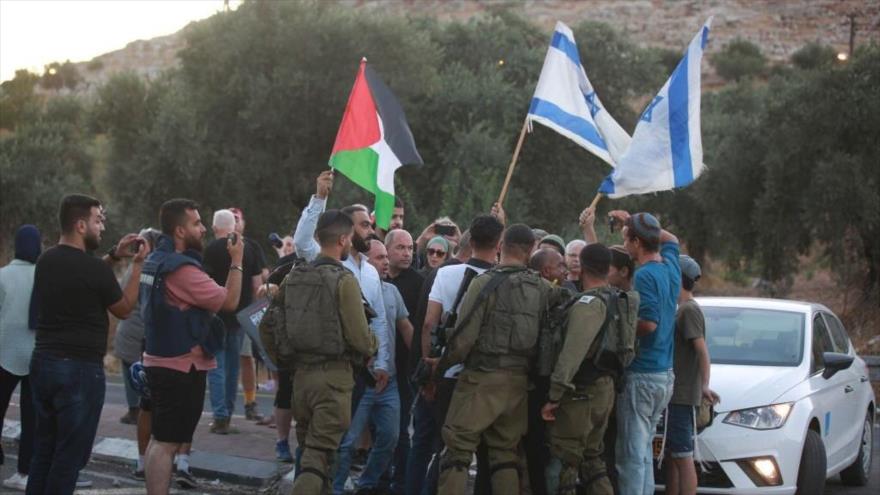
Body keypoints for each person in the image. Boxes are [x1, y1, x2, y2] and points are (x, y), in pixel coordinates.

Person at [27, 194, 147, 495]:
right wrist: (137, 266)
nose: (102, 226)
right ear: (81, 225)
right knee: (69, 457)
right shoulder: (92, 269)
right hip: (79, 371)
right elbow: (124, 308)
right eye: (98, 220)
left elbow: (87, 273)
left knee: (44, 450)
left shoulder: (46, 260)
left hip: (44, 362)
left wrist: (113, 255)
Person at [433, 224, 565, 494]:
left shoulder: (484, 282)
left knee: (457, 452)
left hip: (480, 379)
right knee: (505, 456)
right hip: (518, 385)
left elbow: (464, 337)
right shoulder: (541, 288)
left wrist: (438, 368)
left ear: (502, 244)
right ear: (531, 250)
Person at [260, 209, 378, 494]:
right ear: (342, 240)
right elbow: (360, 339)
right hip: (333, 382)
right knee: (318, 456)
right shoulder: (345, 280)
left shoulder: (295, 276)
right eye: (349, 238)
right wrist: (373, 343)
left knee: (315, 454)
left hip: (302, 379)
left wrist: (284, 362)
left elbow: (267, 325)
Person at [141, 198, 244, 495]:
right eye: (196, 223)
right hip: (180, 366)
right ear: (180, 231)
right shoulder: (181, 270)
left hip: (161, 361)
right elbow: (229, 301)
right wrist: (237, 261)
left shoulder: (154, 260)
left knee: (160, 440)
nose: (203, 229)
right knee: (166, 443)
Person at [406, 216, 503, 495]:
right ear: (498, 244)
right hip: (478, 377)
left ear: (469, 242)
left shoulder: (445, 274)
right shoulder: (500, 280)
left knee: (430, 445)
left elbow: (428, 324)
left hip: (441, 374)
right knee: (474, 454)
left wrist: (429, 370)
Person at [609, 210, 681, 495]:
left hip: (642, 374)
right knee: (643, 454)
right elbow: (671, 238)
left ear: (637, 242)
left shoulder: (645, 275)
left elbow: (648, 323)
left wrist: (620, 330)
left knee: (630, 456)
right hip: (665, 374)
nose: (624, 245)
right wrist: (634, 222)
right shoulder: (671, 267)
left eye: (627, 238)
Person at [334, 239, 413, 494]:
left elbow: (405, 328)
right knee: (346, 443)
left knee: (390, 438)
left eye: (384, 258)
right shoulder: (348, 292)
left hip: (387, 380)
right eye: (379, 258)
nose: (386, 262)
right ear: (365, 263)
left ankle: (366, 484)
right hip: (359, 381)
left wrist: (424, 362)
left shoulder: (391, 292)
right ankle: (335, 487)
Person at [541, 244, 618, 495]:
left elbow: (571, 354)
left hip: (582, 395)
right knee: (593, 462)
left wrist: (554, 395)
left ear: (582, 268)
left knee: (565, 465)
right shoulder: (616, 298)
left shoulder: (588, 305)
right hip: (604, 390)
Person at [202, 209, 261, 434]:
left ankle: (219, 417)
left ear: (216, 227)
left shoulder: (211, 249)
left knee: (216, 367)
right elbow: (257, 286)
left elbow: (204, 281)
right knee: (233, 368)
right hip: (240, 318)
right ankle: (228, 412)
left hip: (215, 316)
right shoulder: (250, 248)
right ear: (234, 225)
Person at [665, 256, 719, 495]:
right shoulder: (681, 309)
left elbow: (702, 350)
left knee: (683, 456)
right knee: (673, 456)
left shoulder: (688, 310)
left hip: (682, 396)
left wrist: (704, 385)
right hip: (674, 395)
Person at [383, 228, 424, 493]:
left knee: (399, 432)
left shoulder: (418, 283)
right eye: (401, 247)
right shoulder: (374, 277)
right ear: (387, 250)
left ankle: (401, 484)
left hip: (404, 369)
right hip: (376, 367)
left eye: (410, 248)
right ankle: (379, 479)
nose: (407, 253)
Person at [0, 225, 41, 491]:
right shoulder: (44, 275)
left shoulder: (2, 275)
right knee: (32, 417)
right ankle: (24, 471)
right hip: (37, 354)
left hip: (3, 353)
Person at [114, 228, 162, 426]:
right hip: (139, 330)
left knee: (129, 372)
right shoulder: (150, 268)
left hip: (127, 329)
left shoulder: (134, 266)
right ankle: (139, 411)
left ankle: (133, 409)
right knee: (141, 374)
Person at [229, 207, 267, 422]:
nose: (234, 222)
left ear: (243, 223)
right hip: (222, 311)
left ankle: (250, 402)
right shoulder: (217, 246)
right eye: (230, 218)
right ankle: (223, 406)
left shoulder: (252, 247)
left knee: (246, 358)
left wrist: (256, 313)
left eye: (237, 218)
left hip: (244, 312)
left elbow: (259, 279)